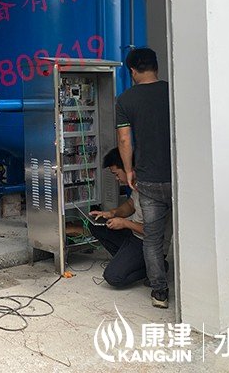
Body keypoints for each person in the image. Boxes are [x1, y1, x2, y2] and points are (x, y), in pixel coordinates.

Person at [115, 47, 172, 309]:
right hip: (180, 177)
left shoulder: (126, 99)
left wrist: (128, 170)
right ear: (156, 66)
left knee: (152, 237)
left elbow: (124, 139)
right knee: (188, 231)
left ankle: (159, 292)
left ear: (132, 71)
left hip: (148, 180)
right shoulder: (173, 91)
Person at [87, 148, 147, 288]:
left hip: (147, 243)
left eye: (116, 174)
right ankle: (126, 261)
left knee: (113, 277)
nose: (116, 178)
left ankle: (154, 268)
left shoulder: (149, 189)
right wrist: (112, 213)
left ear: (128, 168)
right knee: (97, 226)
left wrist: (125, 223)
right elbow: (131, 205)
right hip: (134, 235)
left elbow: (152, 231)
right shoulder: (136, 184)